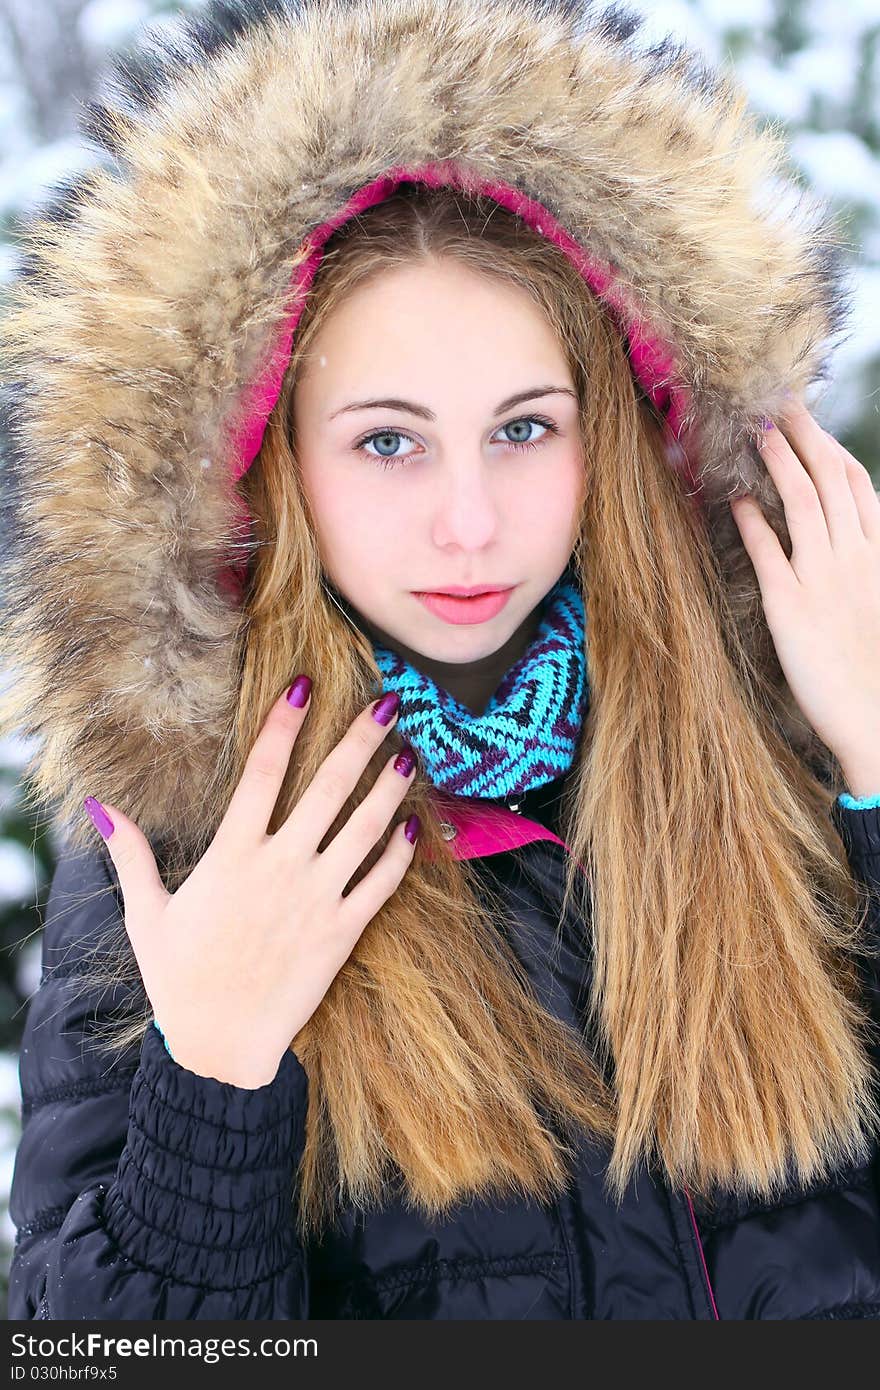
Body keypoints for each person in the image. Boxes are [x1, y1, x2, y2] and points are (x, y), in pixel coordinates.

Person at [2, 0, 879, 1322]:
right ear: (271, 460)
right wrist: (216, 1082)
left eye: (523, 428)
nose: (469, 522)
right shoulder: (190, 849)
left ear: (613, 438)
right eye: (389, 442)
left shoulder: (784, 751)